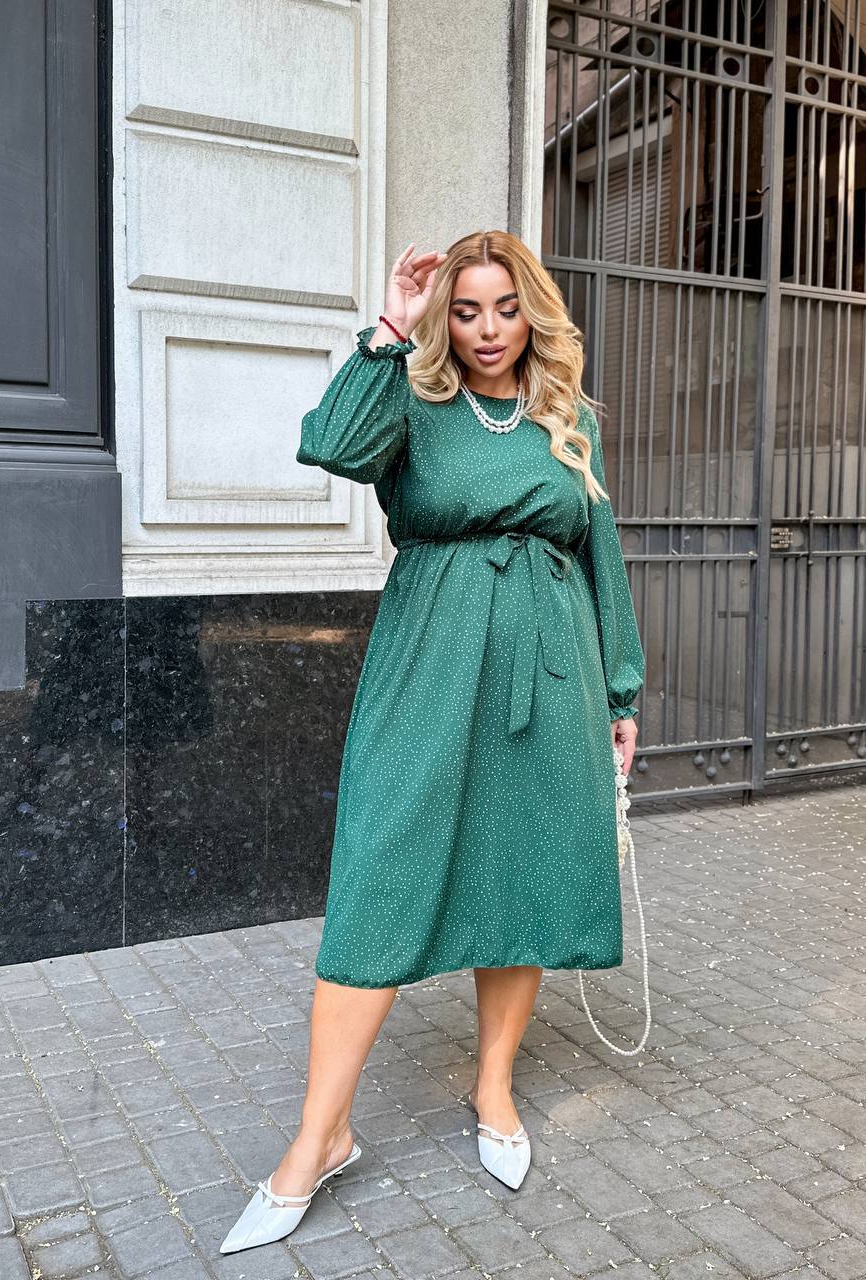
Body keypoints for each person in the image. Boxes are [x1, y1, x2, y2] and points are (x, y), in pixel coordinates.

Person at [219, 229, 645, 1254]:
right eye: (465, 309)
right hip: (429, 662)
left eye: (505, 308)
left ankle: (492, 1085)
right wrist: (386, 328)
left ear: (531, 314)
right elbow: (330, 445)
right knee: (381, 872)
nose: (487, 329)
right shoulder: (409, 399)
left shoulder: (567, 418)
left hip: (551, 671)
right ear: (442, 316)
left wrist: (619, 690)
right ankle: (319, 1135)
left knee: (523, 872)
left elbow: (600, 552)